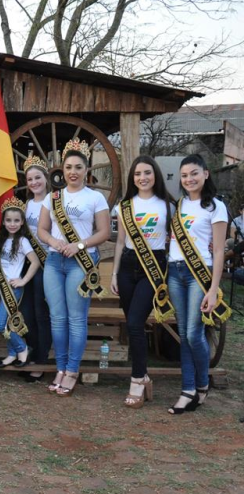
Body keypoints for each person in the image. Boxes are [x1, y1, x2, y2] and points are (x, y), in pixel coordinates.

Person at [37, 139, 111, 397]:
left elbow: (104, 232)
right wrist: (54, 241)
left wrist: (79, 245)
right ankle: (60, 368)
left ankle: (72, 370)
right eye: (68, 167)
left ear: (86, 170)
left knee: (76, 319)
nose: (73, 172)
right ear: (62, 169)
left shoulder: (96, 198)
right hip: (55, 261)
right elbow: (42, 230)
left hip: (82, 261)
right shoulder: (52, 197)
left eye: (78, 167)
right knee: (57, 319)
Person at [166, 154, 230, 414]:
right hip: (174, 272)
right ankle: (188, 389)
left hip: (198, 274)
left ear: (206, 174)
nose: (189, 179)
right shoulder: (178, 206)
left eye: (194, 173)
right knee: (183, 334)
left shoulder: (216, 207)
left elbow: (218, 252)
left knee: (194, 333)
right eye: (184, 175)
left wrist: (213, 289)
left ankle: (201, 384)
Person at [110, 156, 174, 408]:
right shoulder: (125, 206)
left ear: (155, 175)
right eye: (137, 174)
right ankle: (144, 376)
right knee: (132, 323)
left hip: (153, 267)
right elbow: (119, 242)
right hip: (127, 266)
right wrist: (114, 273)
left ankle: (137, 379)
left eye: (147, 172)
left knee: (135, 323)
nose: (142, 177)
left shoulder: (168, 205)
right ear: (132, 178)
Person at [0, 197, 40, 368]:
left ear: (22, 222)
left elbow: (35, 262)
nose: (12, 224)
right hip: (2, 288)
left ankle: (22, 348)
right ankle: (12, 354)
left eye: (16, 220)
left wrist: (23, 280)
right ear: (3, 221)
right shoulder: (1, 242)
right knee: (9, 321)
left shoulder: (23, 242)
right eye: (8, 220)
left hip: (14, 290)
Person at [20, 157, 52, 382]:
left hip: (46, 263)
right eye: (30, 179)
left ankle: (42, 361)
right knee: (27, 311)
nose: (34, 182)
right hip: (27, 263)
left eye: (37, 177)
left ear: (46, 178)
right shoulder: (26, 205)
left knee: (42, 314)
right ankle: (32, 351)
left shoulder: (53, 202)